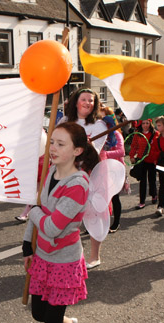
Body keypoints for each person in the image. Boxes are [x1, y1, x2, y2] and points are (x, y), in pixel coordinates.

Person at [22, 122, 99, 323]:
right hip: (43, 256)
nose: (52, 148)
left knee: (51, 321)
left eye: (60, 144)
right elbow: (38, 208)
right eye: (51, 142)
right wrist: (26, 246)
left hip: (65, 261)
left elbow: (52, 226)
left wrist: (34, 213)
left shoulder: (78, 185)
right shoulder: (50, 172)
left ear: (77, 150)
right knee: (39, 314)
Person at [59, 88, 108, 269]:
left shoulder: (99, 126)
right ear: (75, 102)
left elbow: (94, 154)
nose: (88, 103)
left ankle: (95, 256)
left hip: (91, 174)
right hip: (67, 173)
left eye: (92, 100)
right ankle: (70, 253)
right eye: (84, 99)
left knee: (94, 214)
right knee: (67, 214)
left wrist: (87, 146)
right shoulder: (65, 121)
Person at [99, 105, 125, 232]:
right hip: (102, 168)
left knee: (114, 197)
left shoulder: (116, 135)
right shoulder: (100, 135)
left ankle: (116, 222)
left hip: (115, 169)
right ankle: (98, 223)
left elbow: (121, 151)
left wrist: (104, 154)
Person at [129, 119, 159, 210]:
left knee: (152, 179)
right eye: (143, 123)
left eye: (147, 123)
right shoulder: (137, 134)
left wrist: (156, 159)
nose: (145, 125)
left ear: (150, 124)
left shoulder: (155, 133)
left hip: (152, 160)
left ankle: (154, 194)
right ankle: (142, 201)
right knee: (142, 181)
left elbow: (158, 147)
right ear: (140, 124)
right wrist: (131, 156)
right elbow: (134, 146)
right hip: (141, 159)